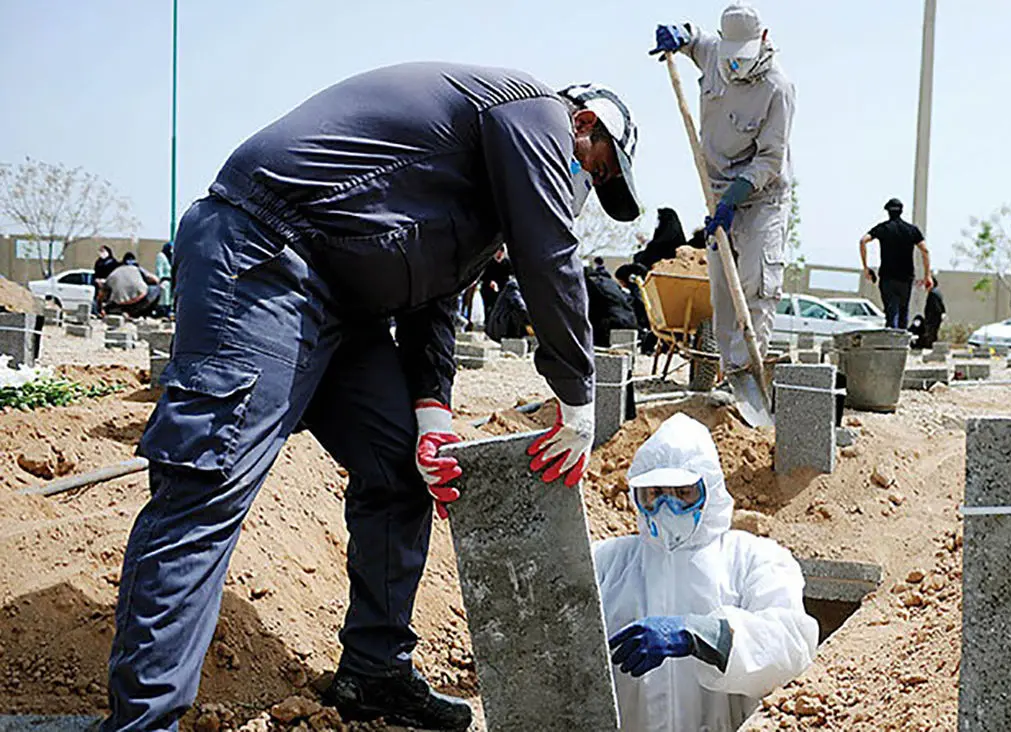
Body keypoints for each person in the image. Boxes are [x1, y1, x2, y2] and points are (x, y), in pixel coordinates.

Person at [101, 63, 641, 732]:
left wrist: (430, 416)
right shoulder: (535, 112)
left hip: (340, 301)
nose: (591, 187)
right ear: (583, 125)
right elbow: (550, 252)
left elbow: (435, 302)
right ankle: (143, 721)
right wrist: (577, 397)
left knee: (400, 469)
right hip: (266, 252)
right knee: (207, 479)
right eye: (600, 169)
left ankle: (373, 673)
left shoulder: (475, 199)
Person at [594, 413, 818, 732]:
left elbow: (792, 644)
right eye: (655, 495)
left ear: (708, 490)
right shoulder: (605, 562)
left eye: (683, 494)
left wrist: (702, 634)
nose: (666, 509)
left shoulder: (754, 559)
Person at [650, 3, 796, 380]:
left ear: (763, 40)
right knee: (722, 291)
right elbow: (693, 37)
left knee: (755, 283)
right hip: (716, 192)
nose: (735, 67)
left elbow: (770, 159)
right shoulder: (715, 53)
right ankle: (731, 374)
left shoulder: (777, 89)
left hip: (761, 195)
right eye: (731, 57)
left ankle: (749, 371)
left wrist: (736, 198)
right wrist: (678, 35)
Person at [859, 198, 932, 330]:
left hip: (888, 278)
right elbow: (925, 250)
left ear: (887, 211)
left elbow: (863, 241)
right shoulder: (911, 230)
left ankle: (891, 340)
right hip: (906, 278)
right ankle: (902, 343)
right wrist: (928, 275)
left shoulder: (883, 228)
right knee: (904, 311)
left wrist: (866, 268)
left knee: (891, 312)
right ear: (901, 211)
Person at [585, 260, 638, 347]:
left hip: (612, 326)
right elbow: (628, 299)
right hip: (631, 321)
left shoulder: (590, 284)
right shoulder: (609, 282)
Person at [103, 252, 162, 318]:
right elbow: (155, 280)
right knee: (156, 289)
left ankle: (121, 312)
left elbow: (104, 291)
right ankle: (145, 314)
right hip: (137, 302)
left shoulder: (114, 272)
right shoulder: (137, 268)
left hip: (118, 304)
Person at [478, 246, 512, 317]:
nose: (499, 255)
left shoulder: (506, 263)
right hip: (488, 289)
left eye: (501, 253)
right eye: (498, 253)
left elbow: (509, 276)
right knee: (488, 308)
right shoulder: (488, 262)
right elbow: (482, 275)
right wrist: (489, 282)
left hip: (502, 289)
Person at [918, 274, 946, 349]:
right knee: (933, 333)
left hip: (933, 318)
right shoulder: (937, 292)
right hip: (936, 318)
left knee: (931, 333)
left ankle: (929, 346)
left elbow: (935, 308)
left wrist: (930, 319)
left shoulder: (933, 293)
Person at [92, 245, 118, 314]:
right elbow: (96, 273)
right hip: (99, 285)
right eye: (100, 251)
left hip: (109, 285)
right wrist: (97, 280)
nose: (101, 253)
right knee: (98, 299)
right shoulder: (98, 262)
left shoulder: (113, 262)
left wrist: (106, 280)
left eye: (103, 251)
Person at [155, 241, 174, 317]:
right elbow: (159, 269)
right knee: (164, 298)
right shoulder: (161, 256)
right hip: (164, 280)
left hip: (170, 281)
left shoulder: (170, 257)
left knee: (169, 298)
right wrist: (159, 281)